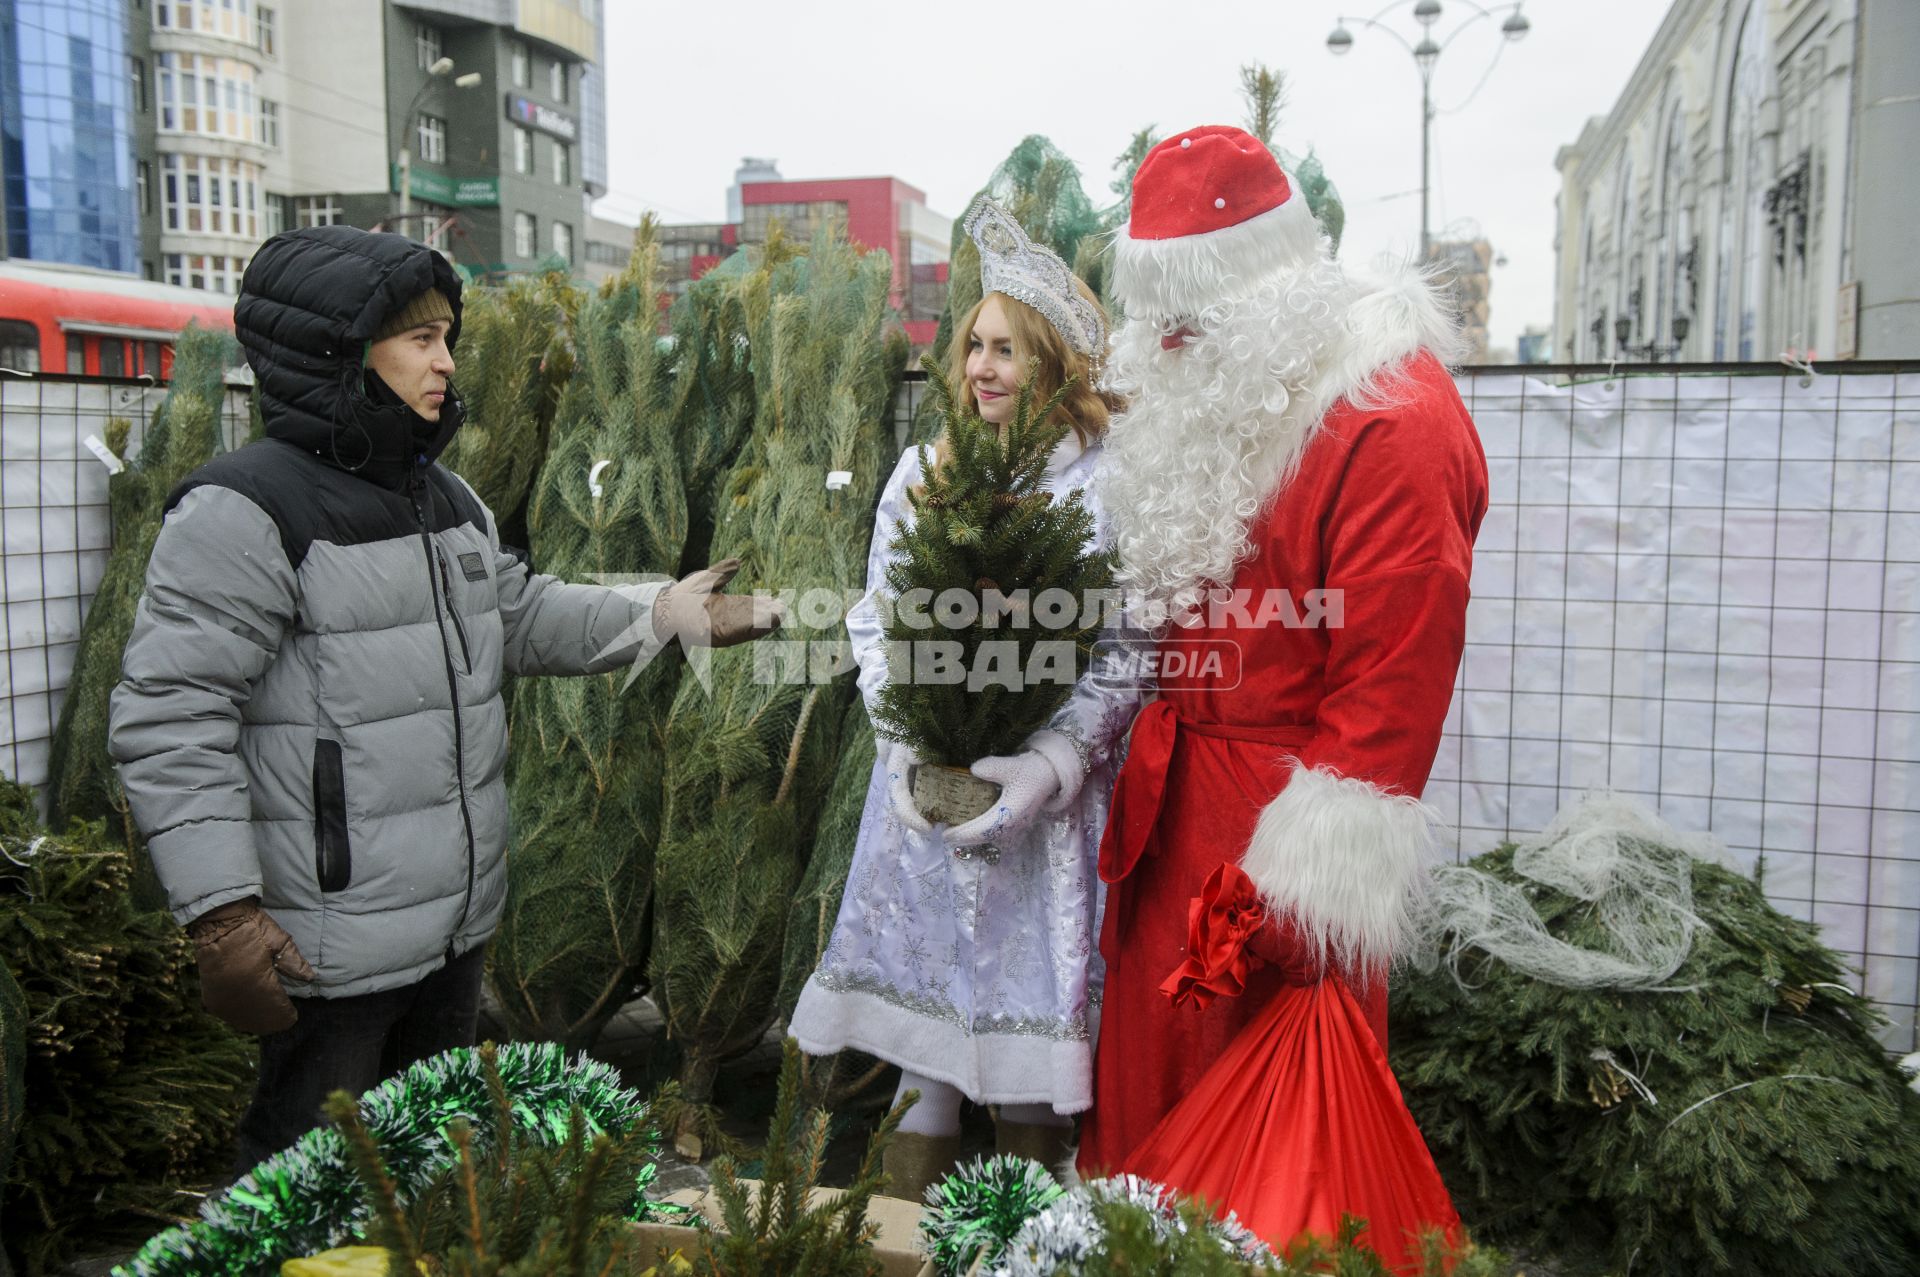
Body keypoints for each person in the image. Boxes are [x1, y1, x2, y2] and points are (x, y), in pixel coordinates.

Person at [107, 225, 781, 1173]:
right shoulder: (245, 512)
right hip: (327, 949)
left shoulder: (443, 497)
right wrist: (222, 911)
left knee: (431, 1176)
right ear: (339, 351)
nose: (446, 360)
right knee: (316, 1189)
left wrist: (665, 613)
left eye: (445, 336)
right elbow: (170, 715)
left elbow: (517, 613)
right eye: (420, 339)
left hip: (454, 930)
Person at [1077, 126, 1487, 1194]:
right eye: (1154, 317)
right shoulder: (1223, 395)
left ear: (1272, 287)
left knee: (1265, 1157)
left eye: (1190, 318)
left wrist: (1295, 900)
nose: (1163, 345)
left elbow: (1392, 691)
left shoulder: (1388, 419)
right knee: (1144, 1131)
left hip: (1269, 850)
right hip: (1172, 823)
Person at [788, 198, 1139, 1198]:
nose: (982, 367)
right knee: (925, 1044)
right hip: (928, 800)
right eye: (974, 345)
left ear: (1055, 367)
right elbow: (878, 614)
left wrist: (1048, 763)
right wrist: (905, 741)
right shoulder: (924, 470)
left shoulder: (1103, 490)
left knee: (1027, 1053)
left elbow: (1126, 648)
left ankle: (1027, 1231)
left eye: (1009, 350)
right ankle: (907, 1227)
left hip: (1036, 814)